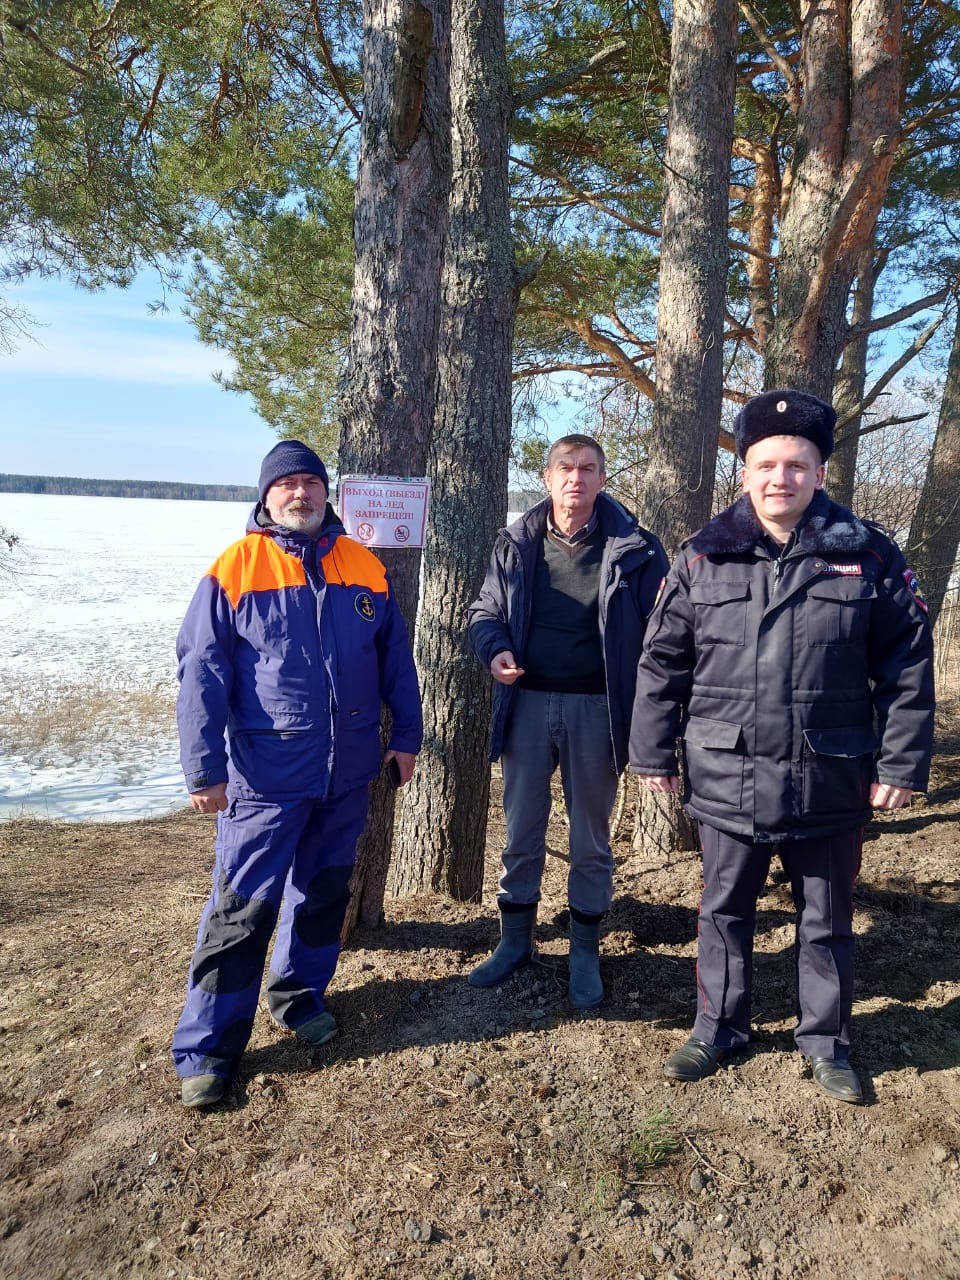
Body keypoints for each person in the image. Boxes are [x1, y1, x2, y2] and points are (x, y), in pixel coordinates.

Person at [630, 390, 934, 1102]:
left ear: (821, 473)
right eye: (765, 464)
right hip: (724, 770)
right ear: (744, 473)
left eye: (797, 466)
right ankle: (718, 1028)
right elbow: (662, 662)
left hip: (827, 774)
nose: (780, 479)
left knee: (825, 921)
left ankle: (827, 1042)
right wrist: (651, 753)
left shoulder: (868, 555)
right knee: (723, 911)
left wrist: (900, 763)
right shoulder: (703, 557)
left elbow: (908, 666)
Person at [173, 440, 423, 1107]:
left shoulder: (364, 567)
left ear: (325, 494)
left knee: (323, 894)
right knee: (241, 910)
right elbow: (201, 674)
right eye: (287, 485)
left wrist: (406, 734)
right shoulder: (234, 570)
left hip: (347, 776)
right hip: (265, 776)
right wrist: (204, 768)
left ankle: (298, 994)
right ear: (266, 497)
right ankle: (207, 1049)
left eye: (311, 483)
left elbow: (396, 658)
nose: (301, 494)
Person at [467, 434, 668, 1007]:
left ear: (602, 479)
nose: (575, 478)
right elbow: (484, 611)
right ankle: (515, 943)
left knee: (591, 839)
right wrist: (494, 649)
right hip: (526, 703)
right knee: (520, 831)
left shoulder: (637, 549)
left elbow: (666, 632)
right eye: (565, 468)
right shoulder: (517, 542)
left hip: (598, 710)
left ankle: (584, 950)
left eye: (587, 468)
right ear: (548, 478)